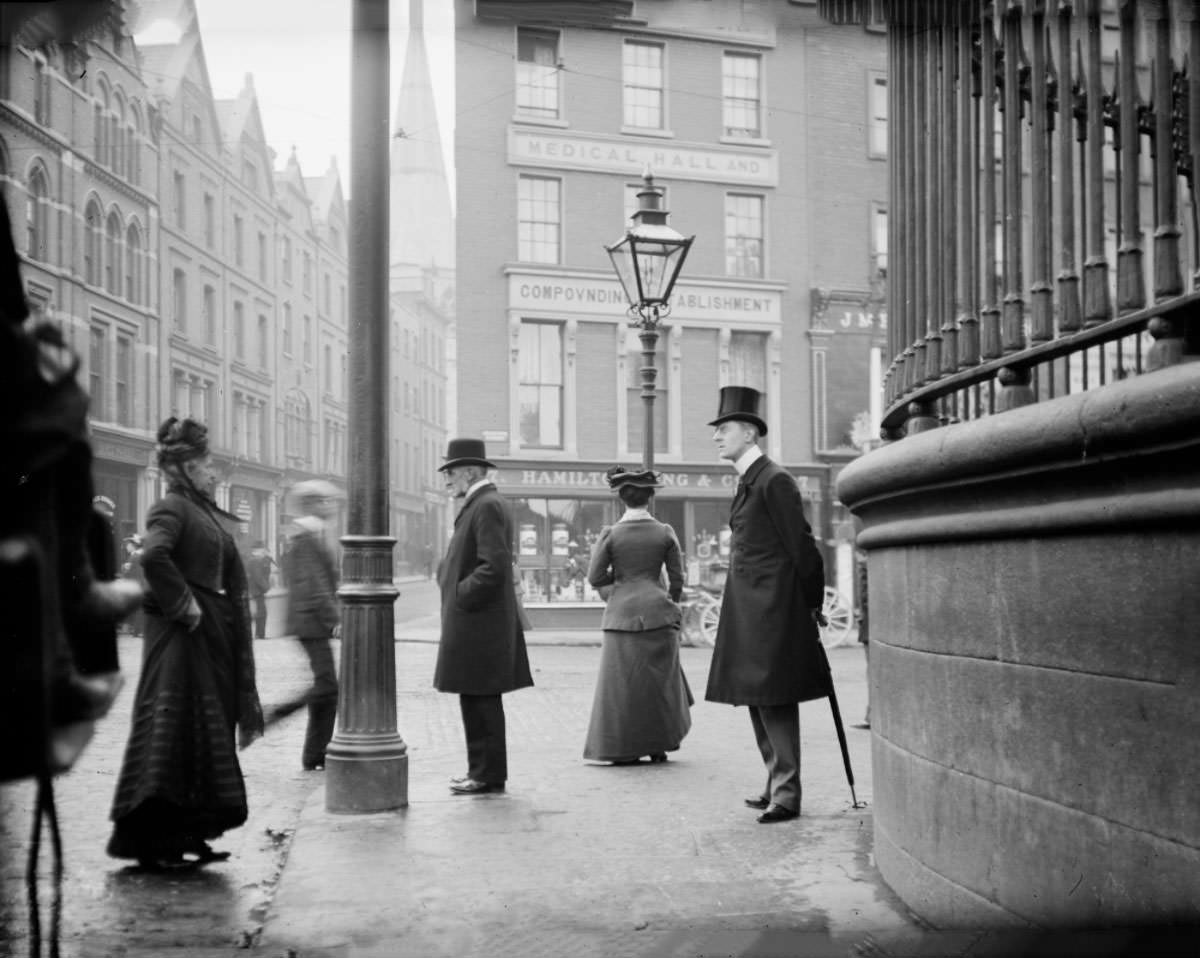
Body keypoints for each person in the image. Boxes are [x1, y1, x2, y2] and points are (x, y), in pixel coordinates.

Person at [107, 417, 264, 869]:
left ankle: (192, 833)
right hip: (179, 642)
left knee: (201, 732)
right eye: (207, 463)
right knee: (174, 735)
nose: (214, 471)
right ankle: (158, 844)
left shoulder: (201, 510)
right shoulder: (171, 507)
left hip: (204, 641)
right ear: (187, 469)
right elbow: (152, 555)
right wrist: (185, 606)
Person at [704, 387, 828, 825]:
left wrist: (813, 602)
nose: (717, 436)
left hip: (773, 609)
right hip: (750, 608)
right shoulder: (749, 481)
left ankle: (788, 794)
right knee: (757, 697)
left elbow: (802, 546)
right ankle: (775, 781)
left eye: (725, 429)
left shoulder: (774, 480)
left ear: (750, 433)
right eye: (717, 430)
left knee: (774, 698)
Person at [435, 438, 533, 795]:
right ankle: (482, 772)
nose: (447, 479)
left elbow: (492, 567)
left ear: (469, 471)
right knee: (475, 699)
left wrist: (459, 593)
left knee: (481, 701)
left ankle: (487, 775)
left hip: (477, 624)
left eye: (450, 472)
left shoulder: (486, 504)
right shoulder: (481, 502)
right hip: (476, 623)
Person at [583, 466, 693, 765]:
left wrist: (617, 592)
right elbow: (677, 578)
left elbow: (594, 577)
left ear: (622, 498)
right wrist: (669, 602)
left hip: (621, 616)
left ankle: (623, 749)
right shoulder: (665, 532)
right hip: (659, 614)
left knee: (623, 686)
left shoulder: (611, 534)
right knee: (657, 685)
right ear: (650, 497)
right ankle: (659, 746)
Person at [283, 480, 342, 772]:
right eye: (323, 501)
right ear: (310, 504)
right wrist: (335, 620)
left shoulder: (313, 535)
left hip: (311, 621)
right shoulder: (305, 538)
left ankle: (316, 753)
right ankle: (310, 748)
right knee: (328, 687)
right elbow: (316, 586)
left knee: (327, 687)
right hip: (310, 622)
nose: (329, 506)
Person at [245, 540, 276, 640]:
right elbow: (258, 577)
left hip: (255, 590)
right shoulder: (255, 561)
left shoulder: (254, 560)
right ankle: (260, 635)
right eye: (261, 549)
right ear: (256, 550)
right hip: (256, 591)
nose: (263, 551)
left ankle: (259, 634)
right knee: (261, 613)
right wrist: (267, 587)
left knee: (260, 612)